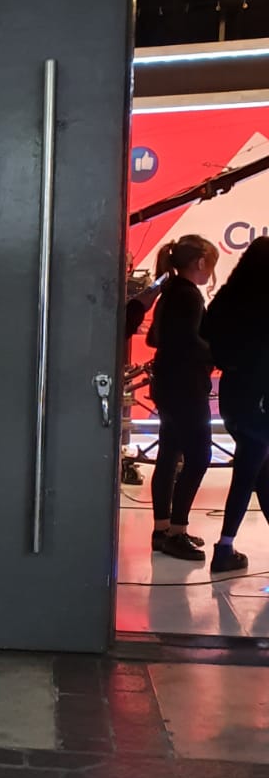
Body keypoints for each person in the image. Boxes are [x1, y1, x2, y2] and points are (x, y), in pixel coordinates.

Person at [147, 234, 218, 561]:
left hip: (168, 386)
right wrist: (219, 352)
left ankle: (162, 529)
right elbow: (189, 341)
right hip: (186, 388)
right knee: (199, 456)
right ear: (201, 263)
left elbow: (154, 338)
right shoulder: (188, 296)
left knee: (169, 454)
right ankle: (177, 530)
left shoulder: (169, 293)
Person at [203, 235, 269, 574]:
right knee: (249, 472)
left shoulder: (228, 297)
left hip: (232, 393)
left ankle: (226, 547)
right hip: (260, 396)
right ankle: (224, 546)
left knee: (259, 470)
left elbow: (206, 332)